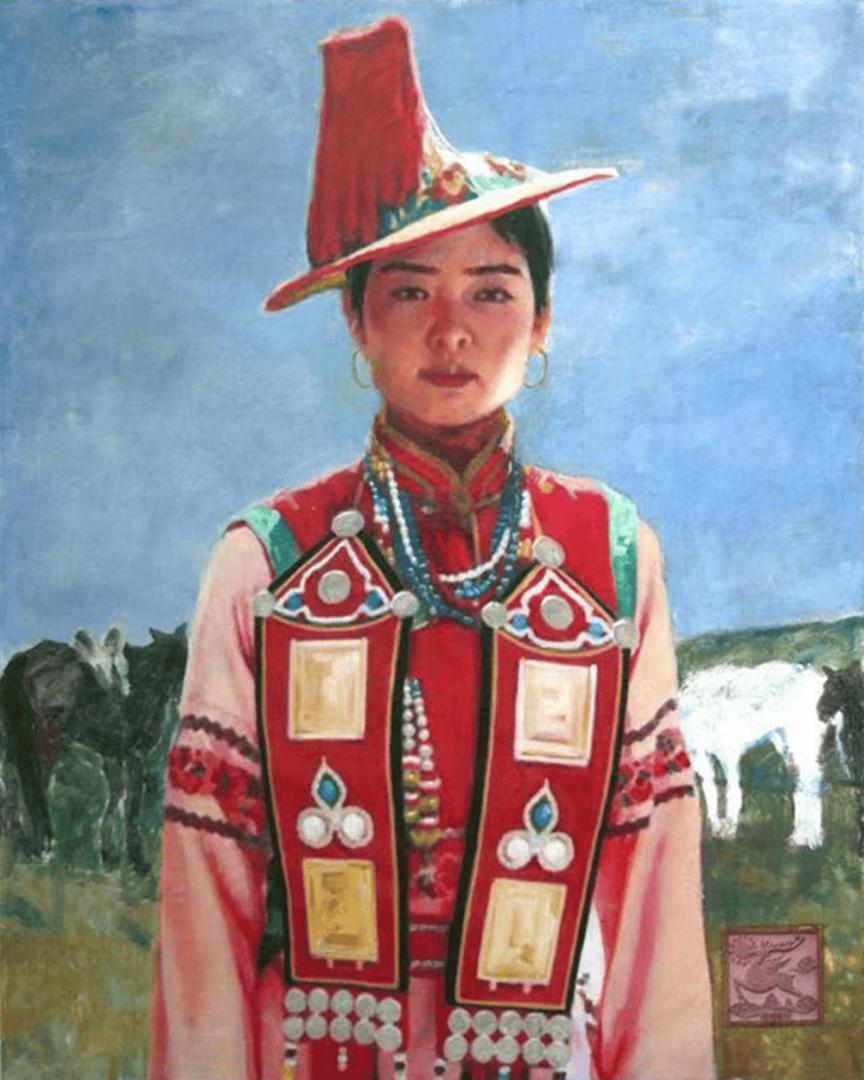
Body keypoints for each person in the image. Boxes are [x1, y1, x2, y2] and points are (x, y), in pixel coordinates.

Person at [149, 17, 714, 1080]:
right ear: (356, 322)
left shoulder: (611, 556)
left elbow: (653, 902)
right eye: (409, 290)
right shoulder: (267, 563)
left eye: (492, 290)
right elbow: (207, 917)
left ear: (541, 322)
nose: (450, 330)